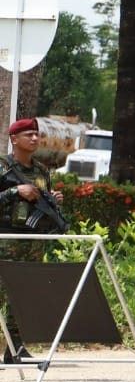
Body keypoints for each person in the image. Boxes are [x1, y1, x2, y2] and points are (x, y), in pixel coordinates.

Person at [0, 117, 67, 365]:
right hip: (4, 239)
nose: (35, 139)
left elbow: (42, 200)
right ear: (14, 139)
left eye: (37, 134)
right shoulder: (3, 166)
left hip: (31, 241)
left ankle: (15, 349)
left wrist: (52, 199)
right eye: (28, 134)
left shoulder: (40, 170)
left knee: (23, 295)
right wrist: (15, 192)